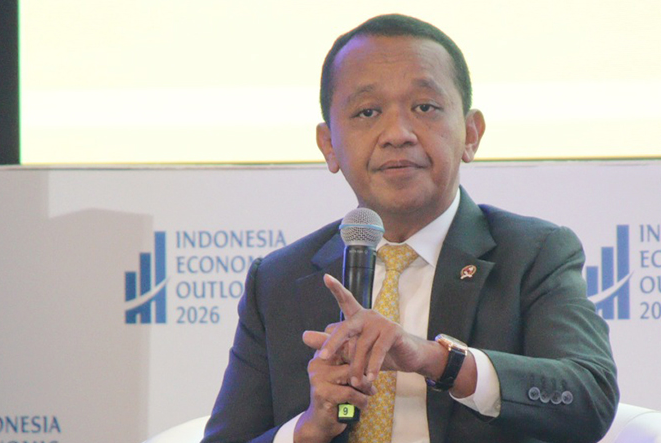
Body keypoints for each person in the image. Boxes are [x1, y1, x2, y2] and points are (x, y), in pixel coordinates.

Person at [202, 14, 618, 443]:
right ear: (329, 145)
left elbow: (590, 397)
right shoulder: (279, 281)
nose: (397, 134)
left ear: (470, 133)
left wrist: (438, 360)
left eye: (425, 108)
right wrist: (308, 429)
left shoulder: (533, 254)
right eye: (367, 112)